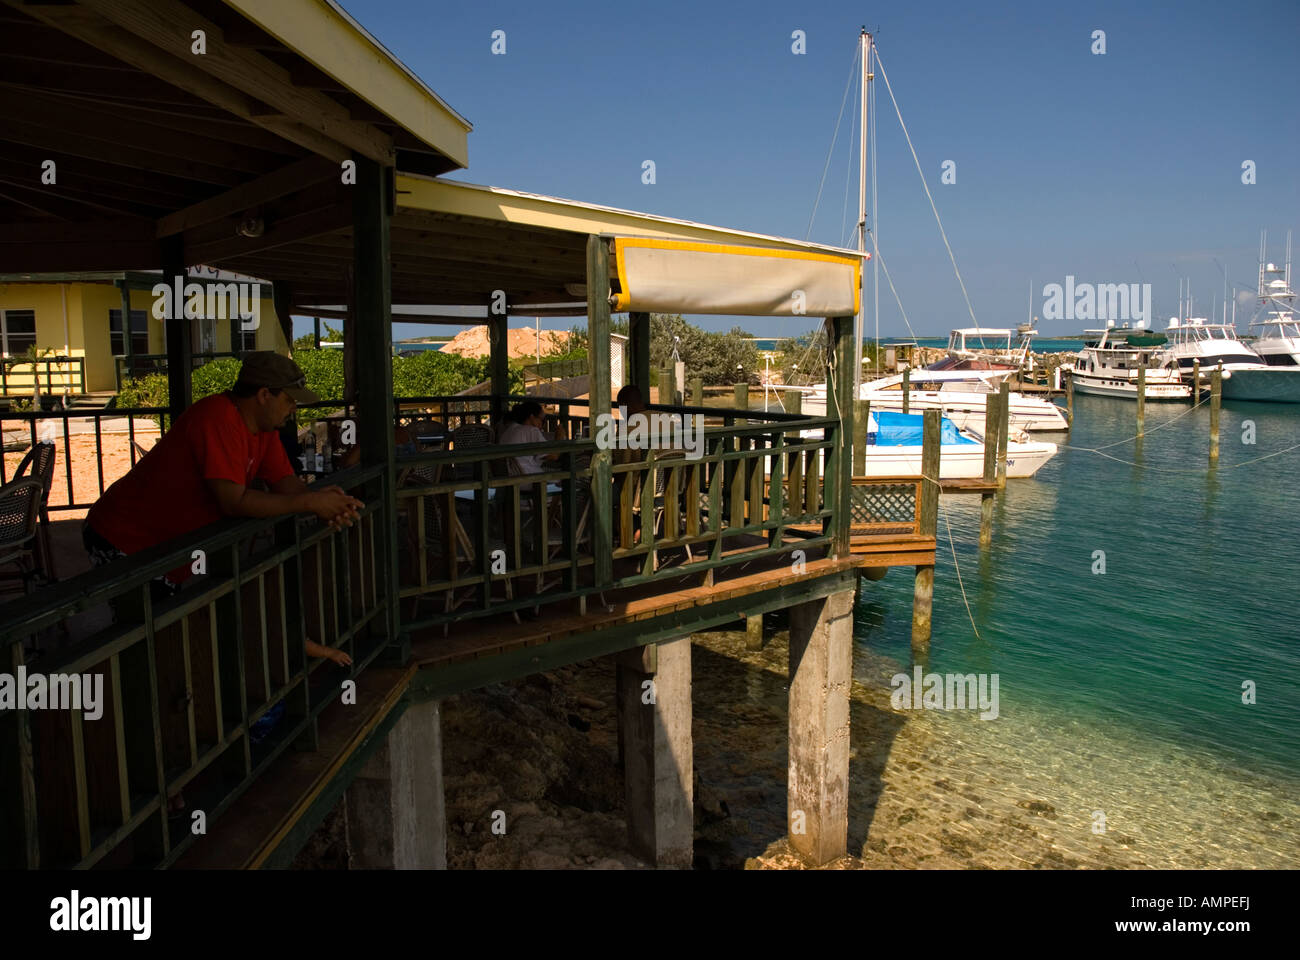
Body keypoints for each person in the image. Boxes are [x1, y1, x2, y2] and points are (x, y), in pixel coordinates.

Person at [84, 351, 363, 601]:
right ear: (264, 395)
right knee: (145, 631)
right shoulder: (217, 417)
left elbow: (284, 482)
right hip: (124, 536)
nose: (294, 409)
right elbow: (234, 501)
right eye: (289, 400)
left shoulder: (263, 429)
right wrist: (310, 504)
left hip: (167, 546)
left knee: (165, 625)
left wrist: (324, 502)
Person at [496, 400, 559, 474]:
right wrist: (559, 437)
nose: (542, 424)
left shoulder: (510, 428)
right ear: (532, 417)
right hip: (526, 477)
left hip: (508, 477)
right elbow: (553, 457)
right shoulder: (532, 431)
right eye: (542, 420)